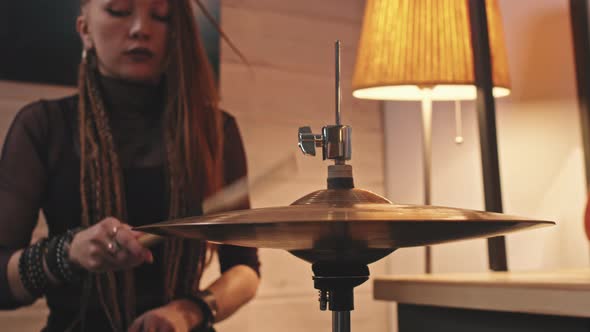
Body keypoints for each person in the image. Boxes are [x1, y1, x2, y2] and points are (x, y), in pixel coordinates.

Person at [0, 0, 261, 331]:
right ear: (85, 30)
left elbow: (245, 270)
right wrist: (67, 254)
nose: (141, 29)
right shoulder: (42, 126)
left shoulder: (215, 131)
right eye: (120, 11)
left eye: (161, 16)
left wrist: (188, 311)